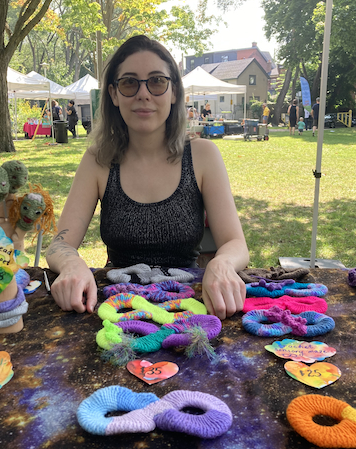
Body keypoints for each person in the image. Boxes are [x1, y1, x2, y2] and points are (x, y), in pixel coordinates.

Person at [45, 35, 248, 320]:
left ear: (174, 92)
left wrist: (222, 263)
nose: (143, 94)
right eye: (129, 82)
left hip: (190, 308)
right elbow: (59, 245)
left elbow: (236, 244)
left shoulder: (203, 156)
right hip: (118, 310)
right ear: (114, 94)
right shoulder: (98, 160)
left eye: (156, 81)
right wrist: (72, 264)